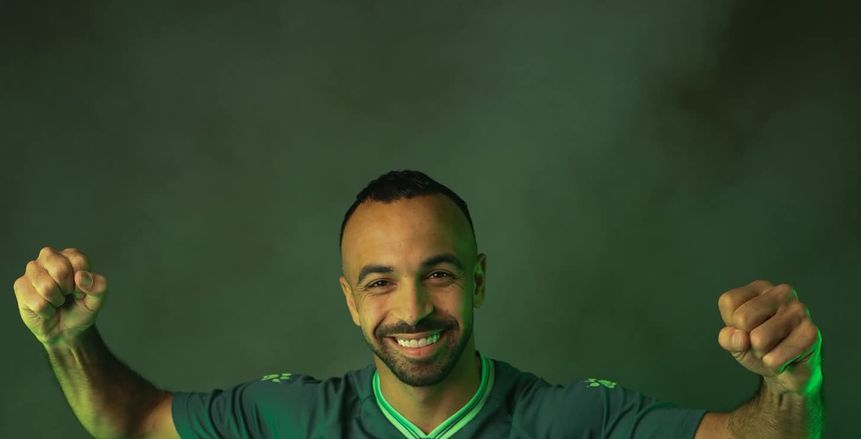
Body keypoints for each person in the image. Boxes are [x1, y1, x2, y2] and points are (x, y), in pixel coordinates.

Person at [14, 169, 823, 438]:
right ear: (348, 300)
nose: (411, 308)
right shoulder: (292, 417)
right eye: (379, 281)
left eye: (437, 273)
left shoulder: (568, 418)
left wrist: (790, 383)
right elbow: (130, 422)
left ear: (477, 279)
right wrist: (66, 340)